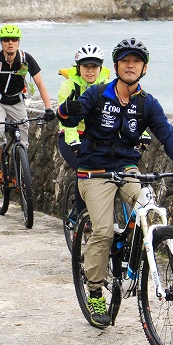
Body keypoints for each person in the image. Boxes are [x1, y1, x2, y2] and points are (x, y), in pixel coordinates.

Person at [57, 37, 173, 327]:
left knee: (148, 208)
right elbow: (72, 117)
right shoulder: (97, 94)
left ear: (144, 68)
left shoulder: (147, 103)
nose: (130, 65)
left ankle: (133, 257)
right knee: (103, 231)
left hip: (126, 168)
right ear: (116, 66)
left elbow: (167, 133)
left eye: (136, 61)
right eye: (125, 60)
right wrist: (68, 110)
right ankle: (95, 290)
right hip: (93, 171)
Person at [0, 24, 55, 184]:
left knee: (23, 140)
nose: (10, 43)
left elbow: (40, 84)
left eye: (14, 39)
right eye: (6, 40)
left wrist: (48, 108)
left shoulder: (26, 59)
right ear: (1, 42)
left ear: (18, 42)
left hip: (17, 102)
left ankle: (16, 173)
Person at [57, 44, 110, 217]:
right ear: (78, 67)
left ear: (100, 68)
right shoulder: (69, 86)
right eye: (86, 66)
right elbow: (65, 120)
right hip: (71, 136)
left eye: (94, 66)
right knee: (84, 169)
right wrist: (74, 141)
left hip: (96, 138)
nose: (90, 71)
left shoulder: (110, 86)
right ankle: (82, 216)